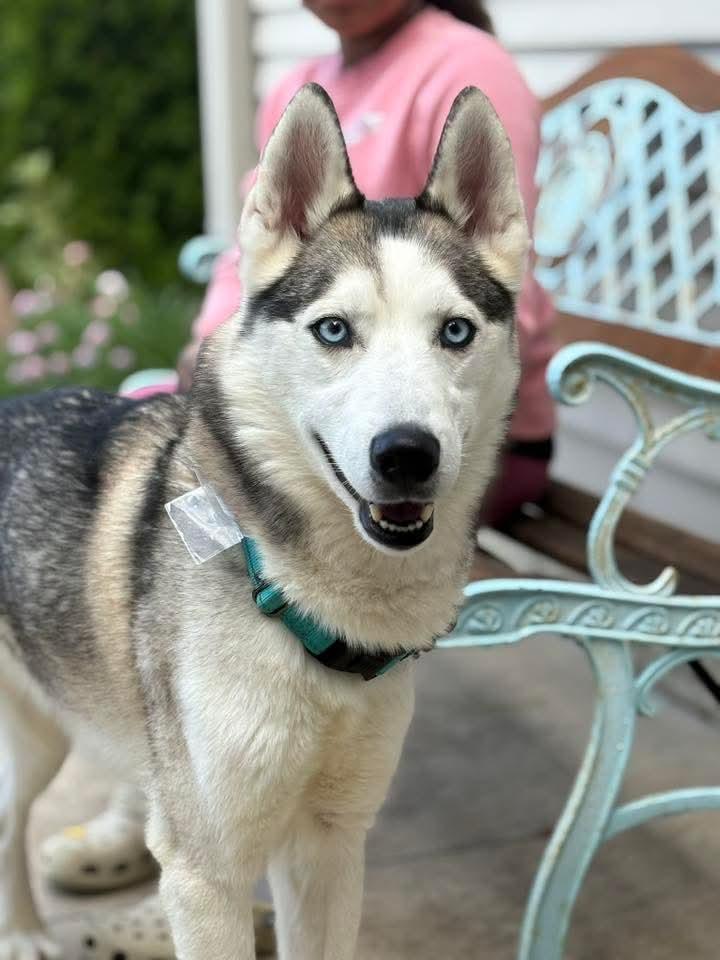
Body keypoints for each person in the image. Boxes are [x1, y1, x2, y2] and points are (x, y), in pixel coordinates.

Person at [42, 2, 555, 952]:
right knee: (193, 517)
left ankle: (191, 814)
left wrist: (418, 341)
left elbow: (488, 312)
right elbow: (252, 287)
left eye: (453, 328)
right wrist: (196, 372)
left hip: (485, 449)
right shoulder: (306, 84)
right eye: (335, 331)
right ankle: (184, 806)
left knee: (327, 826)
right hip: (305, 463)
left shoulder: (466, 66)